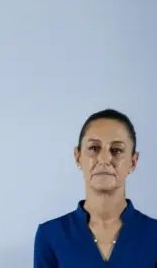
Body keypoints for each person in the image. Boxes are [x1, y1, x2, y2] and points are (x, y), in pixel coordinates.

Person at [33, 109, 157, 267]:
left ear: (133, 161)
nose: (105, 159)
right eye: (94, 148)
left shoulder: (154, 235)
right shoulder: (51, 235)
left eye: (116, 150)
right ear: (78, 157)